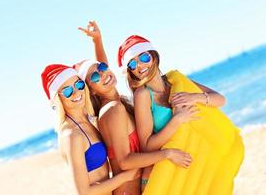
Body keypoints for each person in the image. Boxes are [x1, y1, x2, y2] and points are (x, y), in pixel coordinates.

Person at [76, 21, 193, 195]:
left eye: (102, 68)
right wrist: (167, 154)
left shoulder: (118, 103)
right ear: (91, 90)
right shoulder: (113, 109)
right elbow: (124, 161)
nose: (103, 74)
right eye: (95, 76)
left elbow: (103, 72)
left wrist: (97, 41)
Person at [117, 35, 244, 194]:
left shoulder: (175, 80)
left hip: (192, 165)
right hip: (166, 173)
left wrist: (195, 97)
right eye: (133, 64)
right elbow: (147, 146)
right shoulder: (142, 95)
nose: (140, 65)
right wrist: (177, 120)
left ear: (154, 56)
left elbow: (220, 99)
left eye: (143, 57)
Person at [41, 64, 139, 195]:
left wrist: (97, 43)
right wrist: (125, 177)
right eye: (67, 91)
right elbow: (84, 191)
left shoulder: (87, 121)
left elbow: (102, 74)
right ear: (57, 100)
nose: (76, 92)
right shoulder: (71, 135)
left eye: (79, 84)